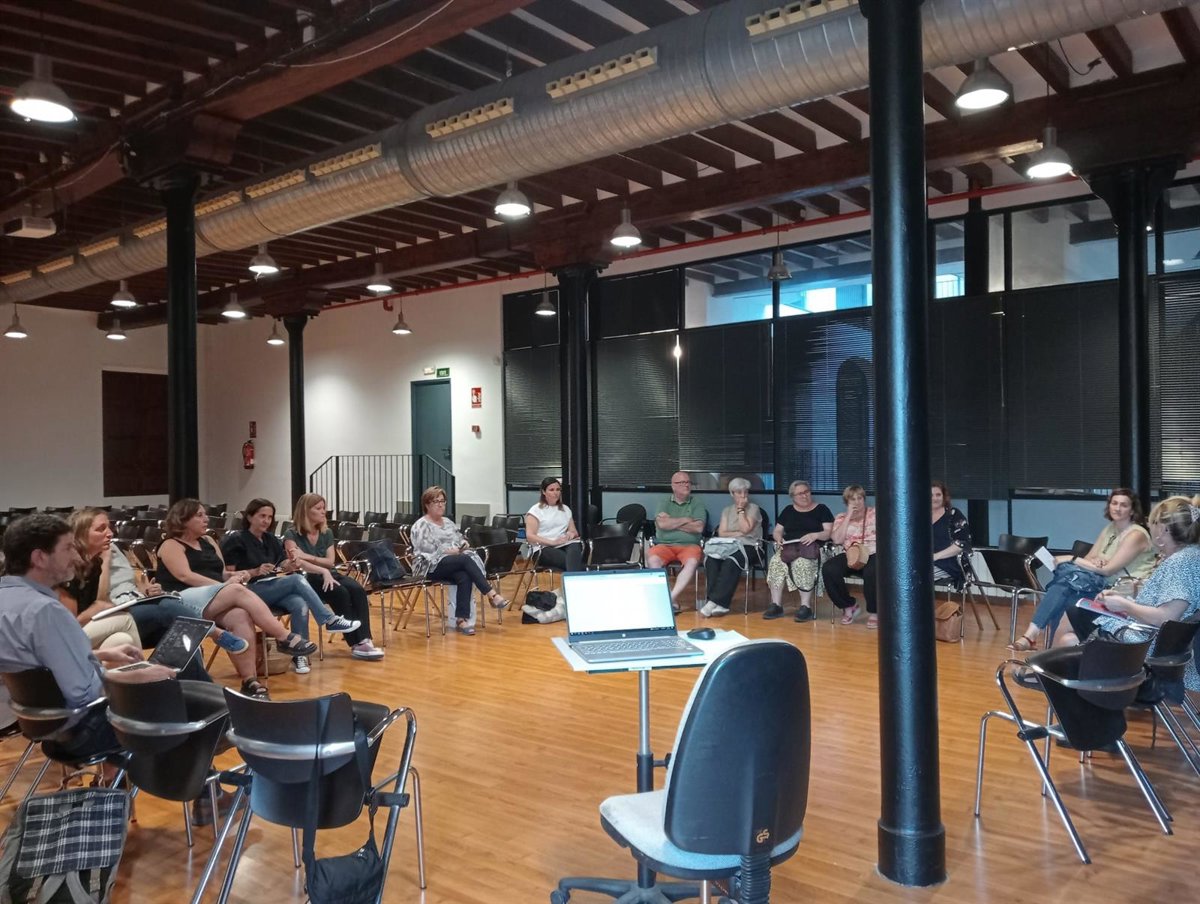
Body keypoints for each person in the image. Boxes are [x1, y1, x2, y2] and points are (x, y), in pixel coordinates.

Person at [0, 514, 150, 760]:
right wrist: (134, 677)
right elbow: (84, 694)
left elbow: (37, 665)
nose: (76, 556)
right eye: (68, 548)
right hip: (82, 729)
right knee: (186, 703)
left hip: (38, 722)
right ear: (39, 558)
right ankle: (200, 784)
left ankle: (118, 779)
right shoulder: (45, 611)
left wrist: (98, 654)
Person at [156, 499, 316, 698]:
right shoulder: (171, 544)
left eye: (205, 514)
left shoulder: (209, 542)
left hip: (213, 598)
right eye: (199, 515)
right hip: (181, 600)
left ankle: (250, 680)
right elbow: (185, 576)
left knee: (240, 615)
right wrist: (224, 586)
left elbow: (222, 573)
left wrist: (238, 575)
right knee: (237, 591)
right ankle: (283, 636)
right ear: (183, 519)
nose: (206, 519)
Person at [60, 507, 240, 679]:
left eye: (109, 527)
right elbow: (72, 621)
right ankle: (212, 634)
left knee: (166, 635)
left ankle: (190, 690)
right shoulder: (68, 568)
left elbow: (106, 598)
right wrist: (105, 565)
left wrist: (143, 589)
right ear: (81, 534)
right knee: (164, 609)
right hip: (81, 630)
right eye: (101, 529)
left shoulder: (101, 559)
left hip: (118, 612)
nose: (110, 533)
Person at [1056, 497, 1200, 692]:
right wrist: (1124, 600)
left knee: (1073, 619)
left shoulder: (1178, 563)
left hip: (1144, 645)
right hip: (1161, 643)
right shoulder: (1192, 555)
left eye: (1153, 522)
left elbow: (1167, 618)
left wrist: (1125, 606)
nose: (1150, 527)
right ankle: (1066, 680)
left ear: (1164, 529)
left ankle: (1057, 679)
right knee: (1071, 630)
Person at [221, 498, 361, 674]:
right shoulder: (236, 539)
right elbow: (229, 574)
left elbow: (282, 564)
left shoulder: (270, 539)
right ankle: (328, 619)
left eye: (269, 517)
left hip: (270, 586)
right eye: (262, 516)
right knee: (296, 580)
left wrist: (291, 564)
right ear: (249, 517)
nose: (266, 521)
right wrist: (255, 571)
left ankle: (299, 653)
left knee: (299, 603)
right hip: (246, 590)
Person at [1009, 488, 1157, 651]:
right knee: (1064, 591)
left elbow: (1108, 570)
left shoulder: (1136, 535)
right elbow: (1088, 559)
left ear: (1132, 510)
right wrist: (1095, 561)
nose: (1117, 508)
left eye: (1124, 505)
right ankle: (1043, 646)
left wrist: (1071, 558)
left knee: (1064, 590)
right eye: (1114, 503)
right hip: (1099, 585)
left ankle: (1036, 641)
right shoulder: (1110, 529)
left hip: (1119, 592)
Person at [283, 493, 383, 661]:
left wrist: (306, 556)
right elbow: (297, 562)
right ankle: (356, 643)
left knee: (357, 589)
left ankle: (365, 638)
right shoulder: (291, 534)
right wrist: (315, 564)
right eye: (318, 508)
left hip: (329, 573)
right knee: (340, 592)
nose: (323, 512)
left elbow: (330, 561)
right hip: (306, 578)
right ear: (306, 510)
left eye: (324, 508)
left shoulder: (326, 532)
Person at [410, 486, 509, 635]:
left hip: (452, 562)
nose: (440, 505)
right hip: (428, 565)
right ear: (427, 505)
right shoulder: (421, 525)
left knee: (464, 575)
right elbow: (426, 550)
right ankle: (492, 595)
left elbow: (460, 538)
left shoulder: (448, 522)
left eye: (442, 501)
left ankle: (461, 619)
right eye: (436, 501)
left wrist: (464, 544)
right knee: (464, 560)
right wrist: (448, 551)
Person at [764, 480, 832, 622]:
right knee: (776, 562)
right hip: (790, 547)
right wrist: (778, 538)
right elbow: (777, 531)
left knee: (802, 563)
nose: (804, 495)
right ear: (793, 496)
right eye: (800, 493)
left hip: (813, 549)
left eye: (806, 492)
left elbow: (828, 533)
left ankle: (805, 606)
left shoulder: (822, 509)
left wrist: (815, 535)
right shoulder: (788, 510)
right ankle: (776, 605)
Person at [699, 477, 762, 618]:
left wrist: (741, 510)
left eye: (746, 492)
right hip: (728, 545)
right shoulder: (726, 510)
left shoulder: (754, 508)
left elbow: (745, 529)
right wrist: (738, 534)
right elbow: (722, 533)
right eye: (739, 492)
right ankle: (719, 604)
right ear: (732, 494)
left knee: (731, 561)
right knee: (712, 560)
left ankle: (714, 602)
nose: (743, 495)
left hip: (750, 546)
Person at [648, 472, 708, 614]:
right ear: (673, 486)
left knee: (692, 562)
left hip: (690, 546)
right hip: (664, 544)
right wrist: (686, 519)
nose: (686, 485)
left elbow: (699, 527)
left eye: (688, 482)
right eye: (682, 482)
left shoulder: (697, 503)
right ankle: (671, 599)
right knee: (652, 559)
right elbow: (662, 525)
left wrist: (672, 521)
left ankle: (670, 598)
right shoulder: (664, 502)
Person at [823, 485, 878, 627]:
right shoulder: (841, 517)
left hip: (872, 553)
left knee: (872, 571)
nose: (857, 502)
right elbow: (837, 540)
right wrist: (848, 517)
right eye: (852, 499)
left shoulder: (875, 514)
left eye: (860, 498)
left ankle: (875, 612)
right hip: (851, 554)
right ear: (846, 502)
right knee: (829, 568)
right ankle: (848, 606)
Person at [525, 477, 583, 572]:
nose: (555, 493)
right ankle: (576, 577)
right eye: (551, 490)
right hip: (542, 548)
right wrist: (553, 542)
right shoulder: (535, 510)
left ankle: (573, 577)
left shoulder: (565, 509)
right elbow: (530, 536)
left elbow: (574, 531)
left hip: (562, 544)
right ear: (544, 492)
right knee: (572, 561)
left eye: (558, 489)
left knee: (574, 546)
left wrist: (570, 534)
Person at [931, 480, 971, 588]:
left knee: (915, 575)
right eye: (931, 495)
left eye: (938, 495)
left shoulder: (954, 515)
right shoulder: (920, 516)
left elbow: (961, 544)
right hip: (925, 563)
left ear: (944, 497)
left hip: (950, 564)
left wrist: (935, 557)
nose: (935, 498)